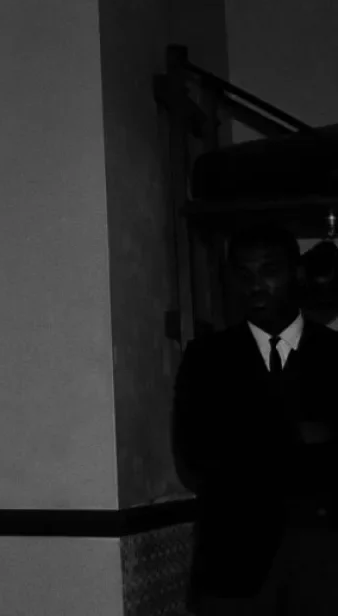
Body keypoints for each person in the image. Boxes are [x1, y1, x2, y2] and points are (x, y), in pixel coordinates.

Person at [173, 225, 338, 615]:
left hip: (326, 565)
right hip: (233, 568)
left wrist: (247, 437)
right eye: (243, 274)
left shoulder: (334, 355)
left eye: (269, 270)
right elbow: (196, 460)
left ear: (296, 272)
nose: (255, 285)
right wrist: (301, 438)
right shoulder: (206, 359)